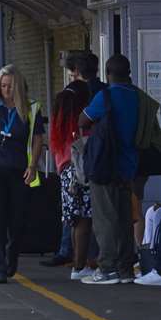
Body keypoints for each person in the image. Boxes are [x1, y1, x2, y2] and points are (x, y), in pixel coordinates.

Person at [0, 64, 46, 283]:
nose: (6, 90)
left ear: (19, 87)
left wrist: (33, 166)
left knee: (17, 220)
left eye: (10, 86)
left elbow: (37, 138)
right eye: (3, 86)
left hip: (19, 169)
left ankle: (11, 256)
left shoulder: (31, 108)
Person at [80, 54, 148, 284]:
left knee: (105, 219)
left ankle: (107, 268)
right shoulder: (138, 97)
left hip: (105, 164)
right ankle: (126, 268)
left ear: (108, 74)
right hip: (129, 165)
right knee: (125, 218)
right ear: (128, 72)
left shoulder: (106, 95)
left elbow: (83, 120)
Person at [48, 51, 102, 279]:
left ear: (76, 72)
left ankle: (77, 264)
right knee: (89, 217)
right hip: (87, 160)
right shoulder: (96, 94)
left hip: (66, 162)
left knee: (74, 218)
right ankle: (84, 264)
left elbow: (55, 136)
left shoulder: (63, 97)